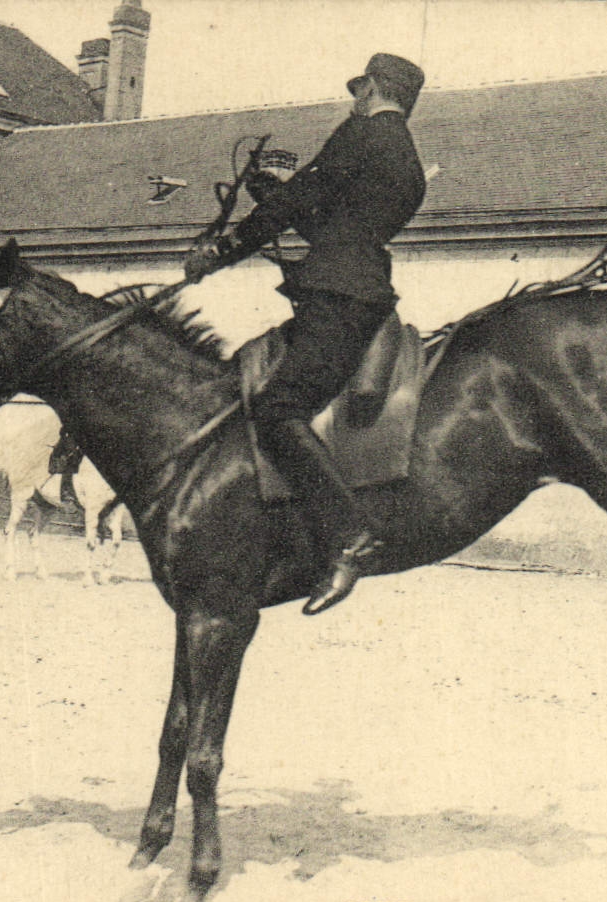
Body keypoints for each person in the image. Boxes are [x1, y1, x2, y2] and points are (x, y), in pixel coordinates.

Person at [185, 53, 427, 615]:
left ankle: (348, 536)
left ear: (373, 89)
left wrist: (221, 252)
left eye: (359, 88)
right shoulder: (403, 159)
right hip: (354, 288)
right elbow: (337, 226)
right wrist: (275, 196)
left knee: (277, 409)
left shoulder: (361, 134)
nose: (353, 98)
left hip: (338, 298)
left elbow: (304, 202)